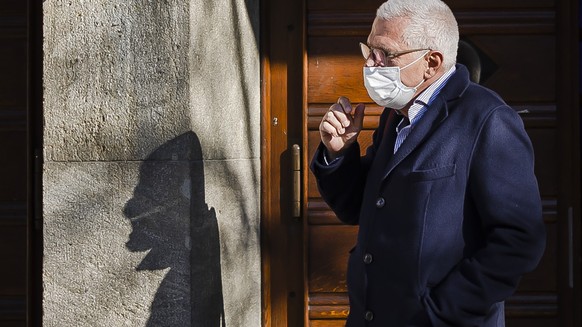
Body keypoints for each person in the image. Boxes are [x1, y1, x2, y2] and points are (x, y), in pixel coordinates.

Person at [310, 0, 546, 326]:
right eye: (369, 50)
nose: (370, 64)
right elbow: (360, 205)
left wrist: (439, 313)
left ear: (431, 63)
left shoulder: (486, 119)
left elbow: (519, 240)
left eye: (385, 54)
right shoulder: (396, 115)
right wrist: (338, 154)